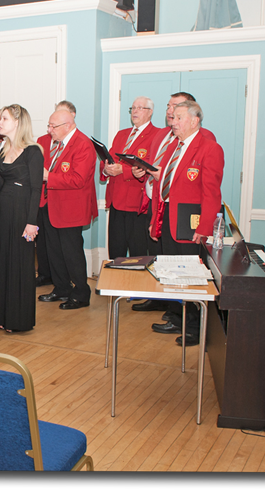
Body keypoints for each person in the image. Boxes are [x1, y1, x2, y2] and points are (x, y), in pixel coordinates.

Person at [147, 100, 224, 346]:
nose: (173, 122)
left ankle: (196, 328)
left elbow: (211, 194)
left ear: (194, 120)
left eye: (179, 118)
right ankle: (179, 319)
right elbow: (162, 186)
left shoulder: (209, 148)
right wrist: (154, 221)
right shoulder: (173, 147)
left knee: (192, 276)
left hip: (190, 224)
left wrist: (204, 228)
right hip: (167, 218)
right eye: (173, 118)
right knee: (171, 272)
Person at [130, 91, 199, 313]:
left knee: (177, 262)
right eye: (169, 107)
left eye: (177, 108)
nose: (171, 112)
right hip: (156, 204)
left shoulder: (203, 141)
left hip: (181, 212)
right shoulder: (163, 137)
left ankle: (179, 309)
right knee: (157, 256)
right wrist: (144, 171)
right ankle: (160, 299)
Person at [0, 104, 43, 333]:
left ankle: (18, 320)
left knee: (20, 265)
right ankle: (3, 316)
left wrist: (32, 222)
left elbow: (36, 189)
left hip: (22, 215)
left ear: (18, 122)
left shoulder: (33, 151)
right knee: (4, 264)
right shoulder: (3, 150)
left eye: (5, 119)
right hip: (3, 213)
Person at [38, 105, 97, 310]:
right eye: (49, 125)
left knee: (71, 252)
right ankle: (61, 287)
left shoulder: (83, 145)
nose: (49, 130)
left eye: (53, 126)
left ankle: (81, 293)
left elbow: (78, 179)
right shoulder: (57, 143)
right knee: (54, 250)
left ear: (68, 125)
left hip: (71, 209)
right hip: (51, 205)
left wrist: (48, 176)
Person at [102, 96, 159, 259]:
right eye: (133, 108)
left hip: (137, 204)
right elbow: (109, 157)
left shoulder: (157, 135)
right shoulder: (122, 134)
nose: (135, 111)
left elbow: (151, 164)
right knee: (115, 251)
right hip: (116, 201)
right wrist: (106, 169)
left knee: (137, 254)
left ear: (150, 112)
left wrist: (123, 171)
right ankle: (113, 284)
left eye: (140, 108)